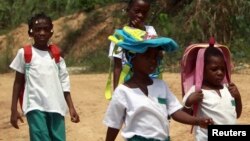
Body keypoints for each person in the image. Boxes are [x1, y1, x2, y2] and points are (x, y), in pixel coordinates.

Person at [103, 26, 213, 141]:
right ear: (132, 57)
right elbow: (113, 125)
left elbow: (175, 112)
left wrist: (198, 121)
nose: (153, 60)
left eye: (156, 57)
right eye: (147, 56)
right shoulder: (122, 91)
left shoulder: (161, 86)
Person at [9, 12, 80, 141]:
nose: (42, 33)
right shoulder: (25, 53)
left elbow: (64, 82)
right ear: (31, 32)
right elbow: (17, 83)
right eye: (38, 29)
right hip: (35, 106)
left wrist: (71, 107)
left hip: (56, 106)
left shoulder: (57, 55)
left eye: (46, 29)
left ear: (51, 32)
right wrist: (14, 109)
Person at [181, 39, 242, 141]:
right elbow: (184, 116)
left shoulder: (228, 89)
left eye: (223, 69)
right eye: (214, 69)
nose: (220, 73)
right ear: (202, 69)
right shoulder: (197, 91)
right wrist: (189, 102)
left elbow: (237, 114)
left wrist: (238, 98)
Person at [108, 0, 158, 91]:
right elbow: (117, 66)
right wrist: (116, 91)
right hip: (129, 84)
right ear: (128, 10)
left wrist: (141, 31)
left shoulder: (150, 31)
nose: (140, 15)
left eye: (144, 12)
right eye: (137, 11)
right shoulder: (120, 36)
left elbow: (159, 55)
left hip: (150, 80)